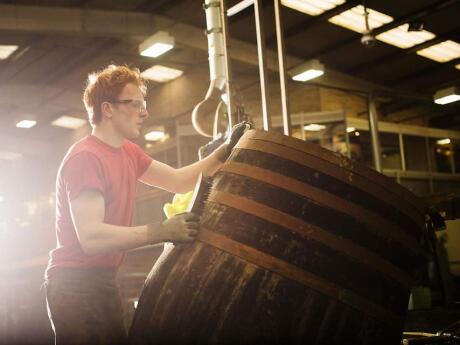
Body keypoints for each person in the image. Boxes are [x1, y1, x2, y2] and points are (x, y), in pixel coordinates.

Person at [44, 64, 249, 345]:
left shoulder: (128, 151)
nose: (145, 112)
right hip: (74, 282)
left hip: (103, 278)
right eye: (136, 104)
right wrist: (162, 230)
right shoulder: (86, 158)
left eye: (145, 103)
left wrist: (225, 151)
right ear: (108, 109)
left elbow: (178, 181)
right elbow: (91, 238)